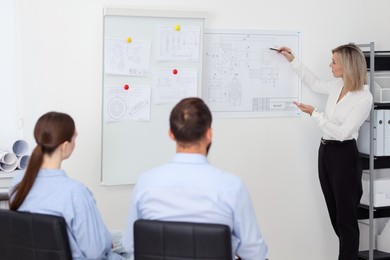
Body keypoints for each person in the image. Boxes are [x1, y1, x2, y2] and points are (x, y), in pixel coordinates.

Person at [122, 97, 268, 260]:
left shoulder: (145, 183)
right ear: (209, 134)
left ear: (171, 134)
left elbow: (131, 245)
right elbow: (255, 253)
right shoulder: (232, 187)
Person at [278, 44, 373, 260]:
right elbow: (313, 81)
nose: (330, 65)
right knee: (335, 213)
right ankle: (348, 255)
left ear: (347, 66)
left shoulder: (363, 98)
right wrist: (291, 59)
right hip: (326, 152)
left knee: (346, 218)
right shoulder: (337, 85)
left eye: (334, 62)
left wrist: (315, 114)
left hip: (344, 155)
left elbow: (342, 133)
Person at [9, 111, 122, 260]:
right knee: (124, 241)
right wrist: (107, 243)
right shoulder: (75, 192)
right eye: (75, 137)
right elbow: (96, 253)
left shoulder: (18, 182)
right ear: (65, 146)